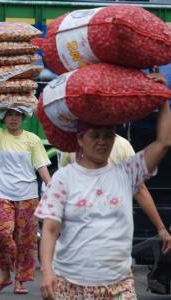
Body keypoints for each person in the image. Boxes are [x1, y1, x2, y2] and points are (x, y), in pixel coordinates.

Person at [35, 92, 171, 298]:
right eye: (95, 135)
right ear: (80, 139)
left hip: (119, 284)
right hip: (71, 285)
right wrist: (46, 271)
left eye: (108, 135)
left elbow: (163, 143)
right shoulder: (64, 178)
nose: (102, 142)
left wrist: (162, 100)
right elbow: (50, 229)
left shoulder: (127, 172)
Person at [0, 73, 51, 294]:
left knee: (26, 241)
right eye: (9, 115)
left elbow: (41, 166)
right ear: (4, 117)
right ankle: (4, 275)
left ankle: (20, 280)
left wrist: (53, 188)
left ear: (23, 117)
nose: (13, 118)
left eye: (17, 115)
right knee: (4, 236)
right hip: (2, 196)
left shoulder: (32, 139)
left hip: (28, 196)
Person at [59, 135, 171, 252]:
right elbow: (140, 190)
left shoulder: (71, 145)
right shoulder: (121, 145)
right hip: (112, 233)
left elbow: (64, 191)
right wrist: (161, 228)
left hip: (81, 232)